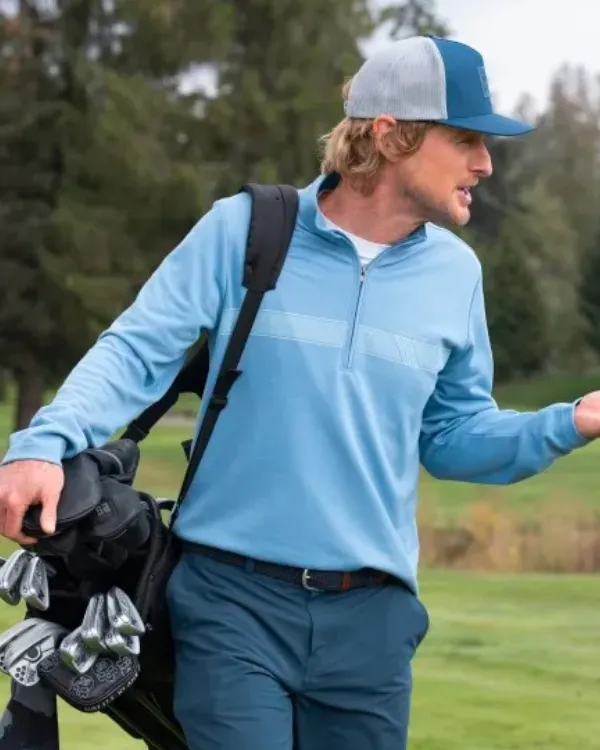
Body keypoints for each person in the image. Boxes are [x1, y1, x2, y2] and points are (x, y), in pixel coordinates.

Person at [0, 34, 598, 750]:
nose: (485, 163)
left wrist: (572, 421)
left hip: (373, 623)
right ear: (392, 135)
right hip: (229, 602)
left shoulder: (456, 276)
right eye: (466, 139)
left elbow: (452, 436)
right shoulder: (244, 231)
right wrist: (42, 444)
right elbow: (135, 351)